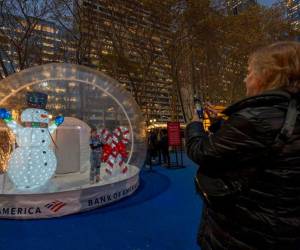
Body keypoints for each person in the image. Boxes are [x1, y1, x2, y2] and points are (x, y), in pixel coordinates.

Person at [185, 41, 300, 250]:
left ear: (266, 75)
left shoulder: (255, 116)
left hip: (246, 229)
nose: (245, 78)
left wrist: (194, 124)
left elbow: (202, 151)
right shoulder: (288, 111)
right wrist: (222, 123)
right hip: (283, 224)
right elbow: (255, 145)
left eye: (249, 72)